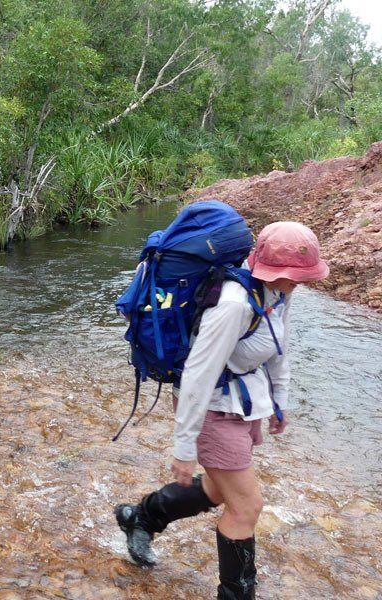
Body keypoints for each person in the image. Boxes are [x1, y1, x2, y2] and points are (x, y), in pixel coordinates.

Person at [114, 221, 329, 598]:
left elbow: (280, 344)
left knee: (218, 488)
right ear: (266, 267)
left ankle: (141, 517)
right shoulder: (232, 303)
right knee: (247, 507)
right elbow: (198, 373)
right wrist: (184, 447)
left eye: (302, 275)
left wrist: (280, 400)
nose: (299, 282)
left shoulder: (277, 292)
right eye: (292, 275)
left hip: (244, 401)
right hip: (214, 407)